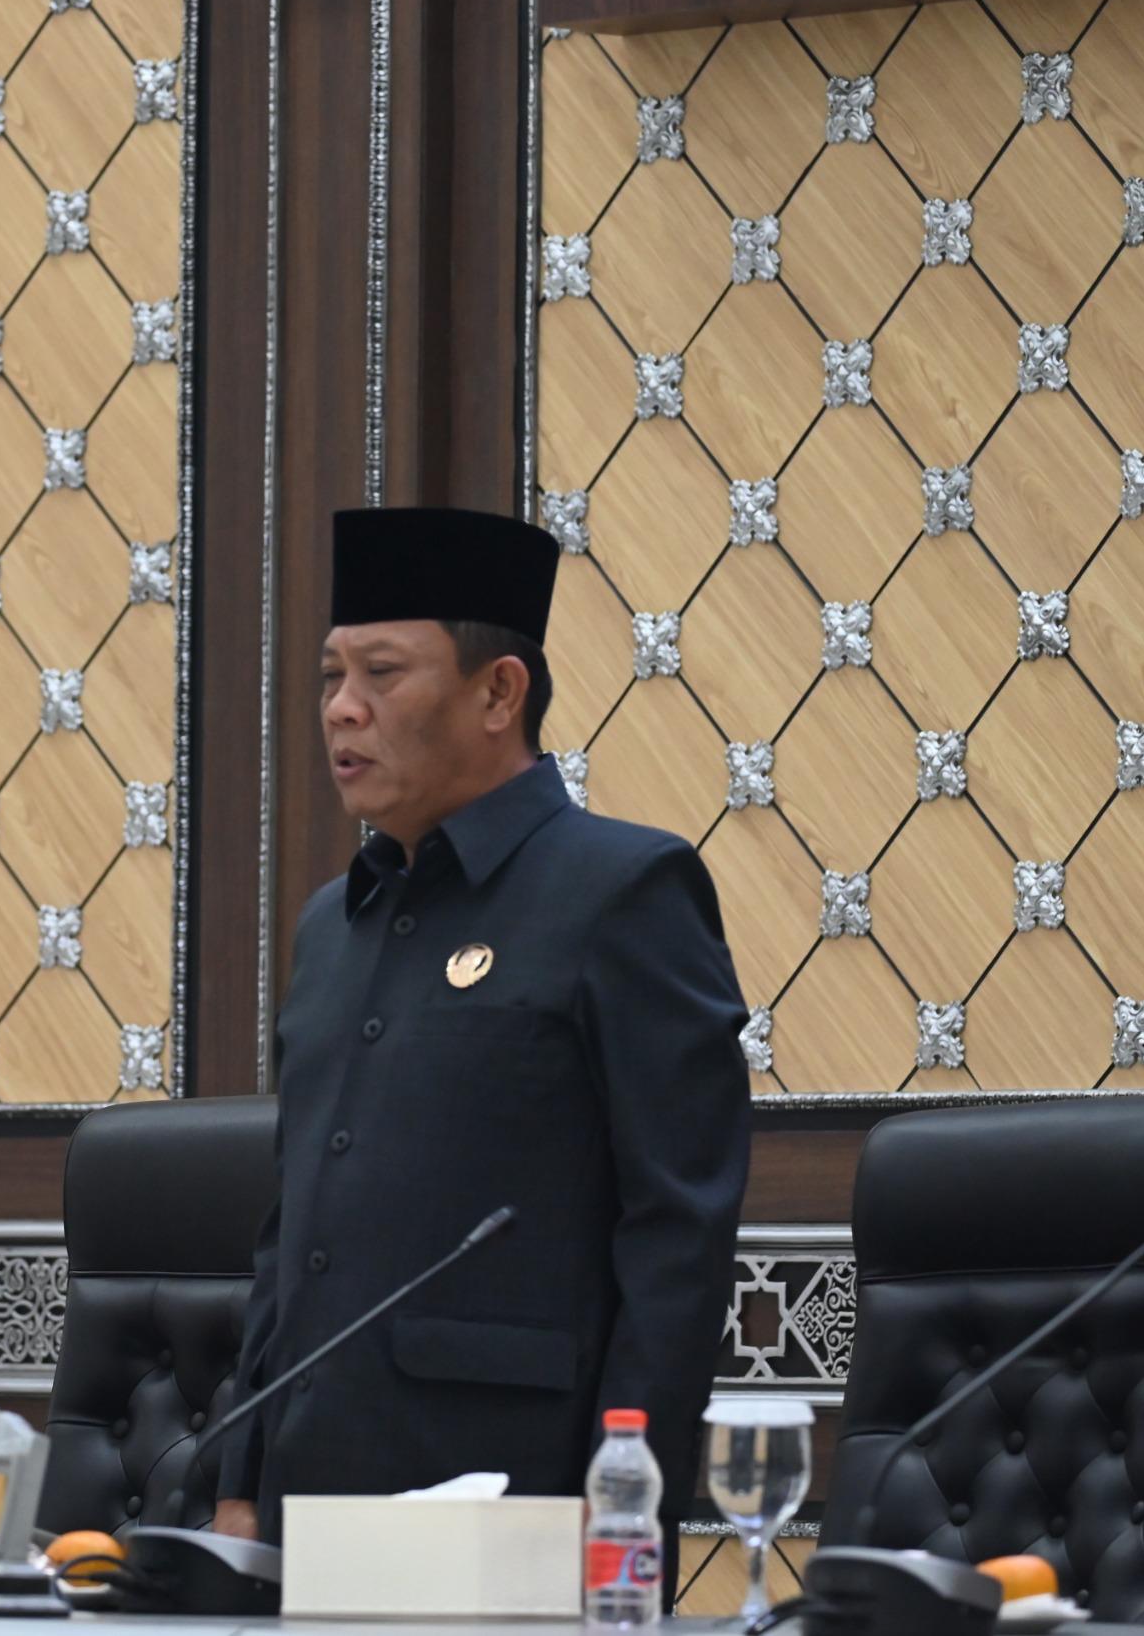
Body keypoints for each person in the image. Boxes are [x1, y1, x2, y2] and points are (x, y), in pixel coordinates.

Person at [210, 506, 750, 1564]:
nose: (342, 712)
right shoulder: (333, 922)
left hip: (517, 1499)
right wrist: (241, 1479)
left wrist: (625, 1517)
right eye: (329, 678)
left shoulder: (625, 890)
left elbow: (676, 1235)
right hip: (306, 1497)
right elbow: (294, 1230)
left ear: (498, 691)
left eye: (381, 674)